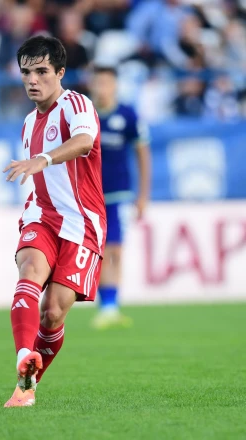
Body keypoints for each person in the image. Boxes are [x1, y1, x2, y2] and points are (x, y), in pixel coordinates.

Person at [2, 35, 106, 407]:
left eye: (42, 71)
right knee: (29, 270)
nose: (33, 80)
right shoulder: (29, 122)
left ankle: (27, 385)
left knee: (53, 311)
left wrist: (43, 159)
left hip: (82, 223)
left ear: (60, 72)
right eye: (26, 72)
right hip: (41, 215)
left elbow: (84, 142)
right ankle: (23, 357)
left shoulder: (76, 104)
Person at [89, 66, 151, 330]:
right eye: (98, 82)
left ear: (115, 85)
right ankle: (106, 306)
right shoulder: (84, 115)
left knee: (115, 249)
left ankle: (111, 306)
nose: (102, 87)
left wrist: (143, 196)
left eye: (107, 82)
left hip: (119, 194)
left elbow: (142, 154)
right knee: (99, 250)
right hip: (89, 196)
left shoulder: (127, 115)